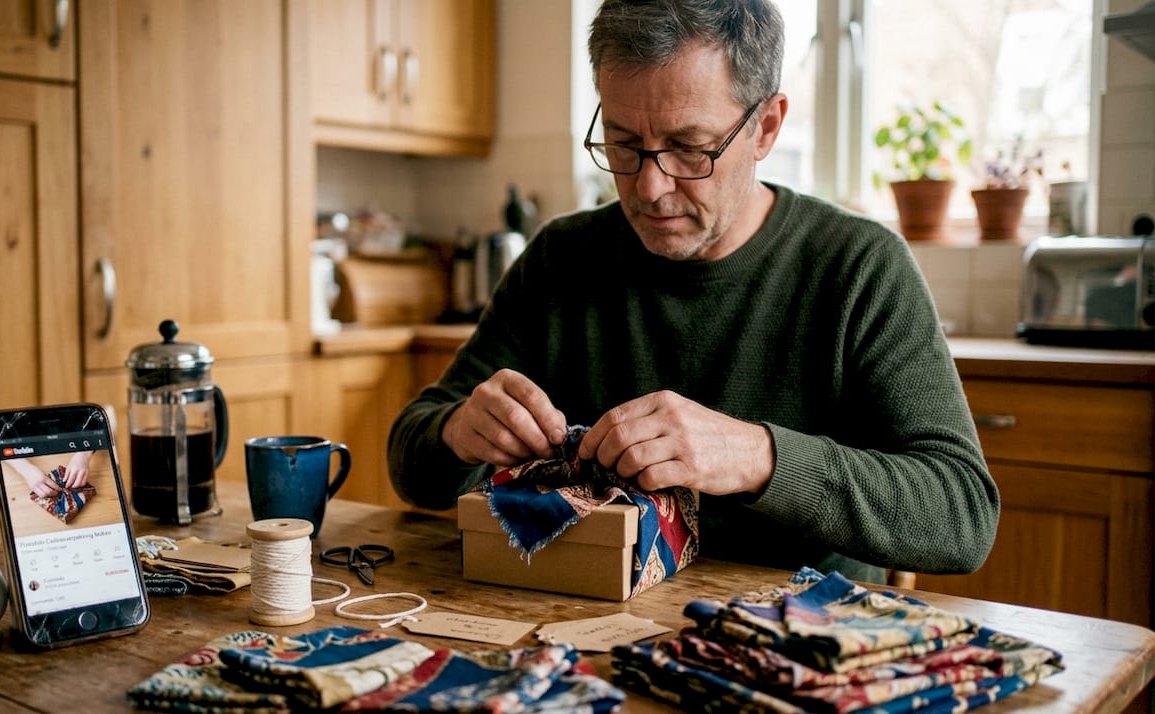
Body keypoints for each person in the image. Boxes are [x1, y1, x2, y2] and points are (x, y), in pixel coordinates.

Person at [388, 0, 999, 584]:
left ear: (766, 127)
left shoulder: (859, 267)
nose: (650, 188)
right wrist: (457, 433)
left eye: (688, 149)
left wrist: (756, 457)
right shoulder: (561, 258)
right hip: (589, 620)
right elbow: (410, 461)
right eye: (625, 145)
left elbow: (963, 516)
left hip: (800, 629)